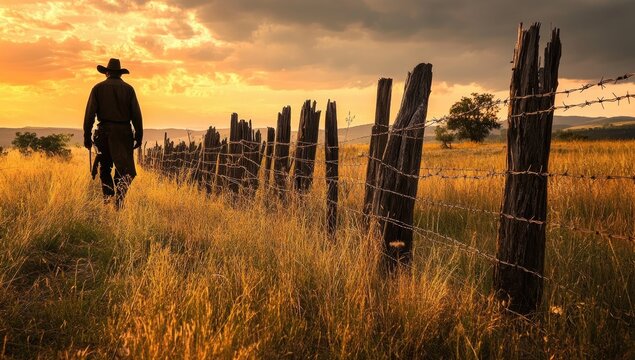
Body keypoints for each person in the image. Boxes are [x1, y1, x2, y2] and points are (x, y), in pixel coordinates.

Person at [83, 58, 143, 209]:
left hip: (104, 133)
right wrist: (139, 136)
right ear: (120, 74)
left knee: (105, 167)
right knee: (124, 169)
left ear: (107, 72)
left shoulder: (98, 88)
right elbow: (136, 115)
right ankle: (120, 200)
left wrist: (87, 136)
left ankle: (108, 197)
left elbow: (89, 114)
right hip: (124, 134)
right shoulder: (129, 89)